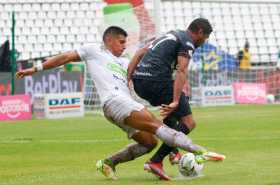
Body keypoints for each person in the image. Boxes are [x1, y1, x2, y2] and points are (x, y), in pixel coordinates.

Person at [16, 26, 224, 181]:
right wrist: (35, 69)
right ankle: (198, 151)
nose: (125, 47)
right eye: (121, 42)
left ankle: (108, 163)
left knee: (149, 143)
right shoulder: (94, 51)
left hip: (120, 107)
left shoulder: (125, 62)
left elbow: (143, 59)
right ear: (109, 40)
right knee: (156, 125)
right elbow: (65, 57)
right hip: (114, 102)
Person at [127, 18, 223, 179]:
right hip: (157, 81)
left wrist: (129, 76)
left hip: (141, 83)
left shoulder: (172, 34)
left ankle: (174, 151)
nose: (204, 41)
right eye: (205, 37)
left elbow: (140, 52)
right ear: (199, 31)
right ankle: (155, 161)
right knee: (188, 122)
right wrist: (176, 100)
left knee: (171, 120)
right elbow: (181, 70)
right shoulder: (187, 42)